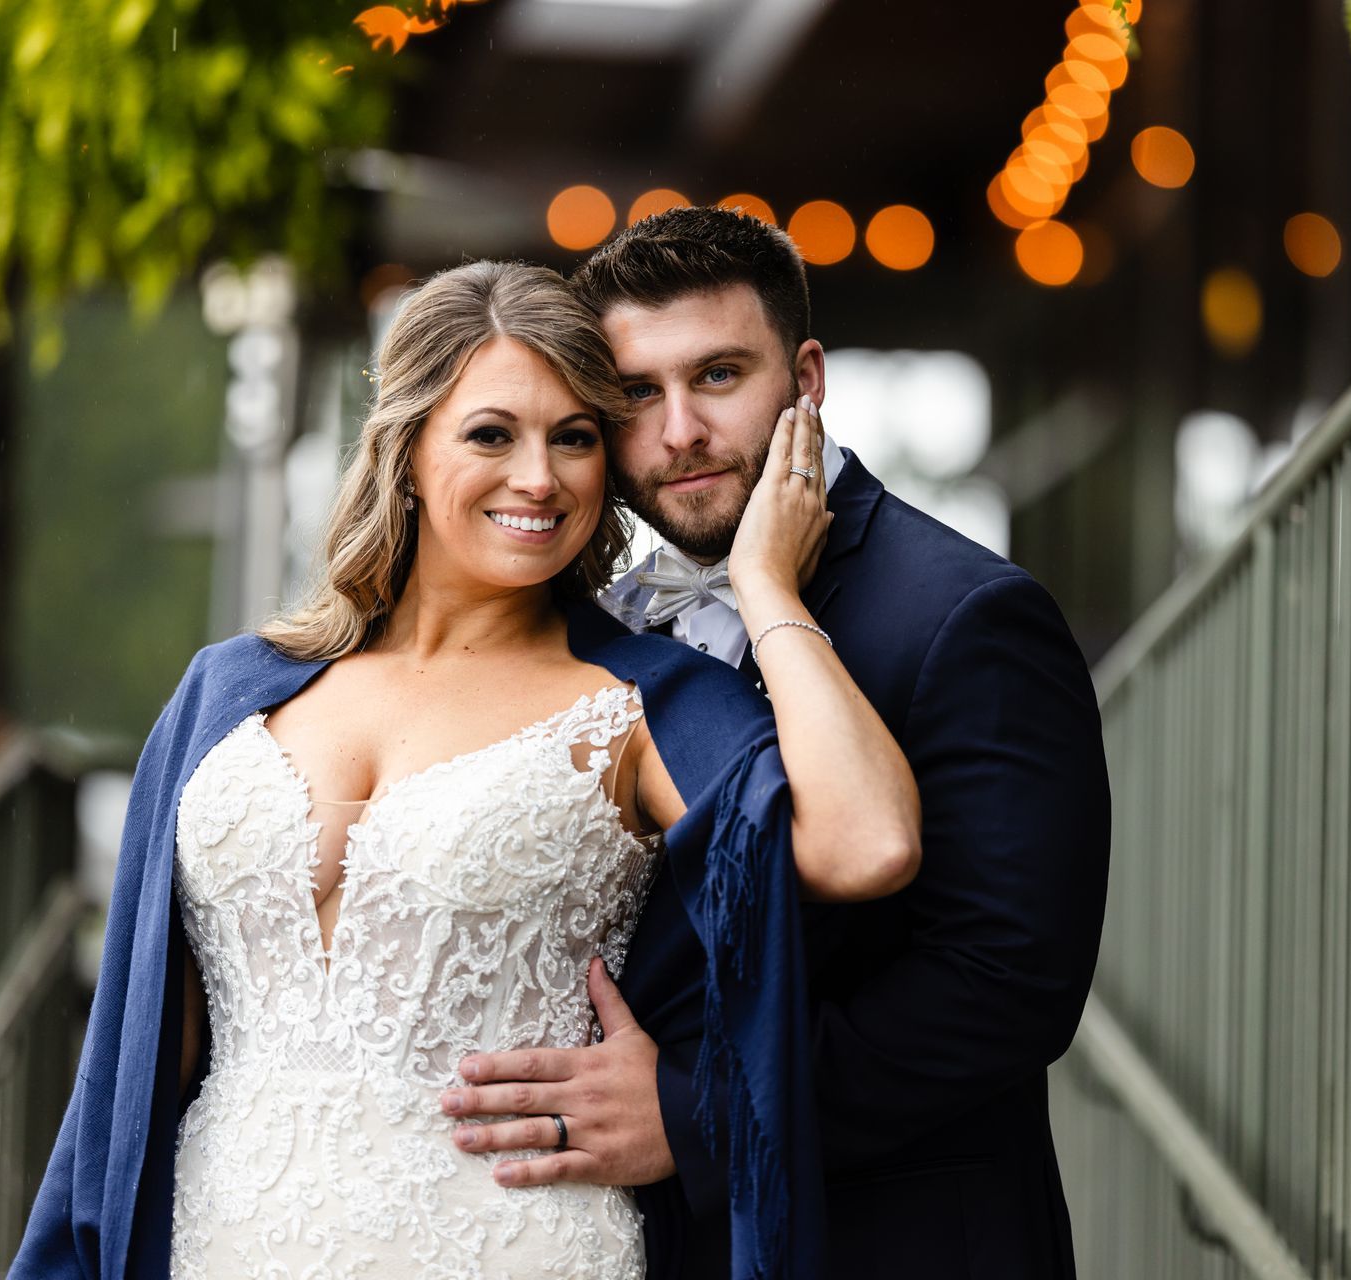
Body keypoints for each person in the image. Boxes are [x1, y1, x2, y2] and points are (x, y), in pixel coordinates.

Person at [9, 261, 921, 1279]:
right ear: (406, 448)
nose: (539, 476)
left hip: (514, 1241)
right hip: (228, 1240)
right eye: (493, 433)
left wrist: (764, 585)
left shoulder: (648, 702)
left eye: (574, 438)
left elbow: (869, 839)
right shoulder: (226, 693)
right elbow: (139, 1057)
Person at [441, 208, 1111, 1277]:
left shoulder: (970, 615)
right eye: (635, 396)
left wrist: (698, 1112)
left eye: (716, 376)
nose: (678, 430)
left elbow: (1007, 984)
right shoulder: (603, 627)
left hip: (900, 1244)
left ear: (805, 378)